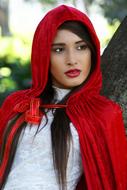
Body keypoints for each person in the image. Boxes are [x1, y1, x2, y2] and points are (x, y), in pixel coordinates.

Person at [0, 4, 127, 190]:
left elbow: (113, 180)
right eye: (59, 49)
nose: (72, 59)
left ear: (92, 51)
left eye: (81, 47)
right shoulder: (18, 104)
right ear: (43, 55)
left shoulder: (103, 113)